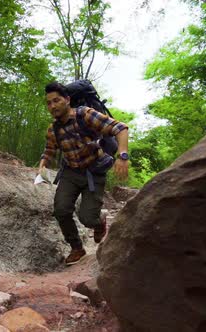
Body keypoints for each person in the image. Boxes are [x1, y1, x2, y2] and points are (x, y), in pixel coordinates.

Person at [38, 82, 129, 265]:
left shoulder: (86, 115)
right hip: (70, 172)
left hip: (93, 172)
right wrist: (42, 166)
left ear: (67, 100)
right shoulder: (53, 129)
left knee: (87, 218)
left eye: (56, 100)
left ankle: (100, 220)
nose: (53, 106)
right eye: (49, 103)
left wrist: (123, 156)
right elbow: (49, 150)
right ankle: (77, 248)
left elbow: (121, 128)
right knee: (61, 210)